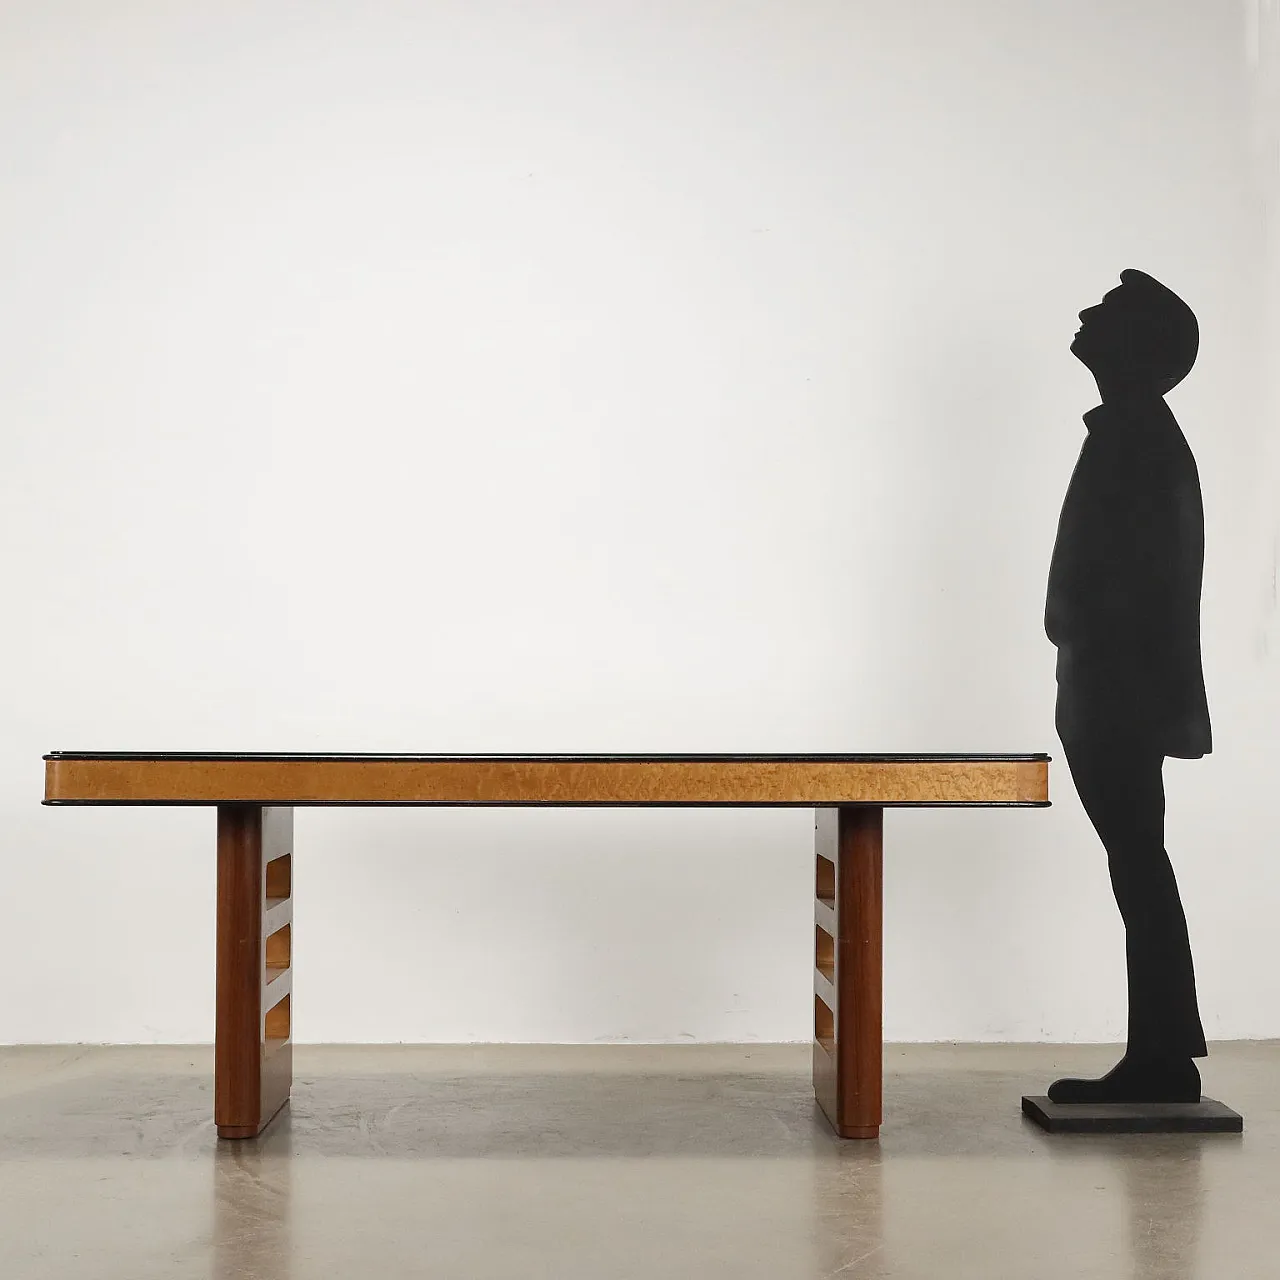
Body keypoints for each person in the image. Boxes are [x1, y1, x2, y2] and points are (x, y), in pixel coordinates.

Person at [1044, 268, 1211, 1104]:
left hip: (1119, 690)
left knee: (1138, 864)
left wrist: (1092, 652)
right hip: (1112, 685)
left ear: (1137, 347)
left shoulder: (1137, 437)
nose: (1085, 313)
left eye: (1106, 312)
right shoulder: (1133, 431)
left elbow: (1146, 579)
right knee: (1138, 863)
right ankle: (1164, 1051)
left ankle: (1163, 1055)